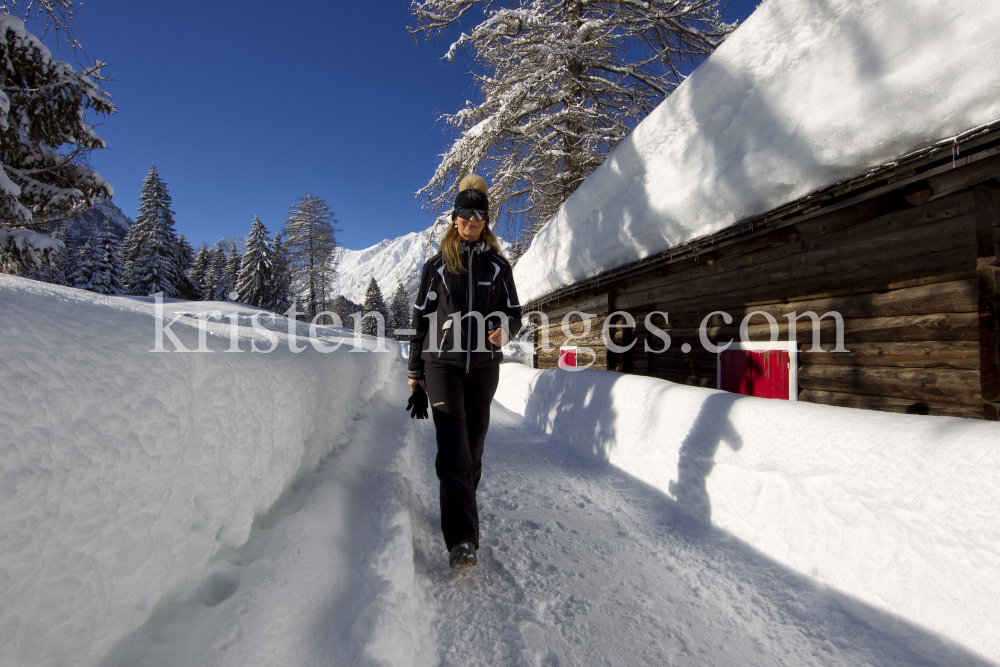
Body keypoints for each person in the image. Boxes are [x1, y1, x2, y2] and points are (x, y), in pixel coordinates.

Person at [406, 174, 522, 569]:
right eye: (465, 213)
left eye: (479, 213)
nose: (472, 219)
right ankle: (462, 539)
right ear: (454, 219)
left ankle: (459, 501)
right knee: (454, 448)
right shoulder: (437, 267)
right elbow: (420, 318)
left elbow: (514, 313)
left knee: (472, 452)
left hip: (484, 367)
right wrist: (414, 369)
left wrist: (505, 329)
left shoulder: (498, 266)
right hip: (442, 365)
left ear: (486, 221)